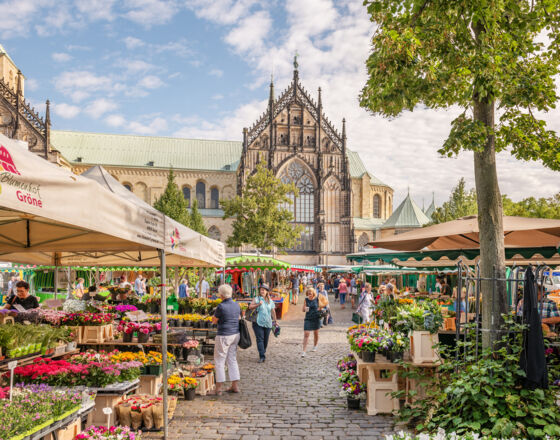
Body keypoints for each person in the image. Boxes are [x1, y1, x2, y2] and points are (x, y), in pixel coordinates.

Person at [211, 284, 241, 395]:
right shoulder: (237, 305)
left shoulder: (221, 306)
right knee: (232, 359)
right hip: (235, 334)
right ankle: (235, 386)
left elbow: (214, 321)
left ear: (222, 295)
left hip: (224, 335)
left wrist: (213, 318)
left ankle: (218, 388)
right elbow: (238, 318)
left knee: (219, 360)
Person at [248, 284, 277, 363]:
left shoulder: (270, 301)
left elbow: (273, 311)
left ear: (267, 291)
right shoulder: (257, 299)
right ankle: (262, 356)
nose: (262, 291)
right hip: (257, 323)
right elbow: (250, 307)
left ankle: (262, 351)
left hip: (268, 323)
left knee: (265, 340)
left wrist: (275, 321)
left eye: (264, 290)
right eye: (261, 289)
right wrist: (258, 304)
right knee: (260, 339)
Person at [302, 287, 323, 357]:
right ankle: (304, 351)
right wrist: (305, 309)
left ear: (313, 293)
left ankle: (315, 345)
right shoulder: (306, 300)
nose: (309, 295)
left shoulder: (317, 299)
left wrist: (320, 308)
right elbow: (303, 309)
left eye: (310, 293)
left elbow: (321, 307)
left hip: (316, 318)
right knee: (306, 334)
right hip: (308, 318)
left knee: (316, 333)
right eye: (308, 293)